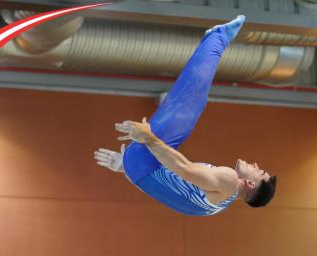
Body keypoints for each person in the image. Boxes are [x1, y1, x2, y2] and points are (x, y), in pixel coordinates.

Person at [94, 15, 276, 216]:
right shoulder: (215, 208)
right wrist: (126, 167)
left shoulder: (230, 181)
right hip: (139, 172)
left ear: (250, 183)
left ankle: (218, 36)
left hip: (147, 159)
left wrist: (149, 139)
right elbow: (163, 190)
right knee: (191, 103)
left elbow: (183, 168)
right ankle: (211, 41)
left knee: (191, 104)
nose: (257, 165)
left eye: (260, 171)